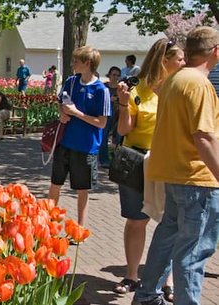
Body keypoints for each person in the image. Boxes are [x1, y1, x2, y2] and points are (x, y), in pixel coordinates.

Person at [132, 27, 219, 305]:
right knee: (192, 252)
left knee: (167, 239)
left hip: (174, 176)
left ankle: (146, 296)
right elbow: (203, 137)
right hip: (197, 178)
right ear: (215, 51)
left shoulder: (174, 80)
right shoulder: (199, 83)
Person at [112, 37, 184, 300]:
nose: (184, 63)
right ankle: (132, 274)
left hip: (169, 161)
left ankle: (168, 280)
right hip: (137, 159)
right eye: (179, 59)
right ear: (164, 61)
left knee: (169, 222)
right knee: (137, 220)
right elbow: (123, 130)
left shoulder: (180, 88)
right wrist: (122, 102)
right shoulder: (137, 90)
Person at [48, 46, 110, 228]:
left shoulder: (101, 90)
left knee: (82, 189)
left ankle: (80, 228)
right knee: (55, 184)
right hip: (65, 142)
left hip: (86, 146)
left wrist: (77, 113)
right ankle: (49, 223)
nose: (73, 63)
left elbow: (102, 122)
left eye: (76, 61)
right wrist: (62, 113)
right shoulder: (71, 81)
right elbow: (61, 102)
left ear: (87, 63)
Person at [98, 66, 122, 168]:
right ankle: (104, 160)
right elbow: (98, 100)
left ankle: (117, 161)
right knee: (103, 139)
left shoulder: (120, 88)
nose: (115, 77)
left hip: (118, 116)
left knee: (118, 140)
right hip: (106, 115)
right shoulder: (104, 87)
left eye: (117, 75)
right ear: (109, 75)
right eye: (113, 75)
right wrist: (109, 99)